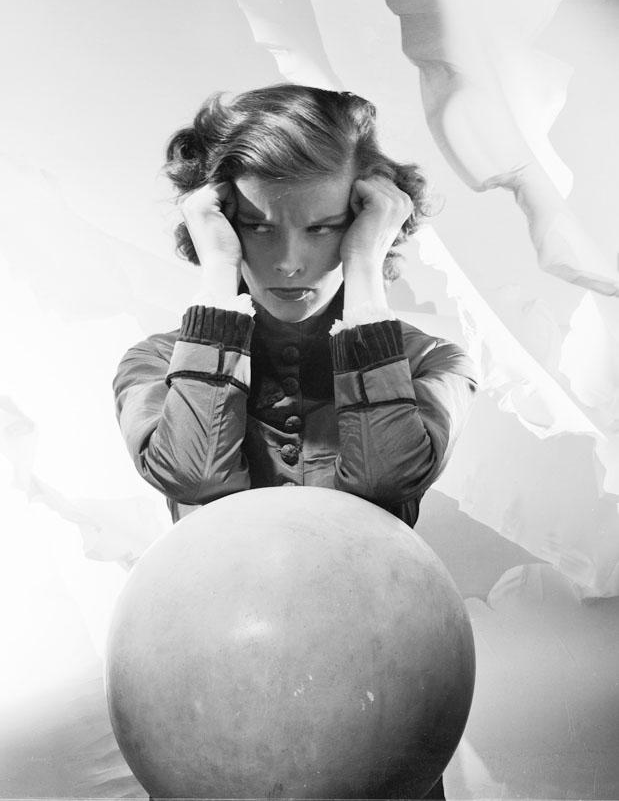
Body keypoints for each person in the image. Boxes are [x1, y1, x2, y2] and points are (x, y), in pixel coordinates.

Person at [112, 83, 478, 799]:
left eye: (322, 228)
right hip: (205, 719)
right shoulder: (157, 362)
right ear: (222, 222)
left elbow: (385, 480)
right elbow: (193, 476)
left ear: (366, 220)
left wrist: (366, 276)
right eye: (257, 227)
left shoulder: (432, 362)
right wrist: (217, 279)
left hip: (380, 722)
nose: (288, 262)